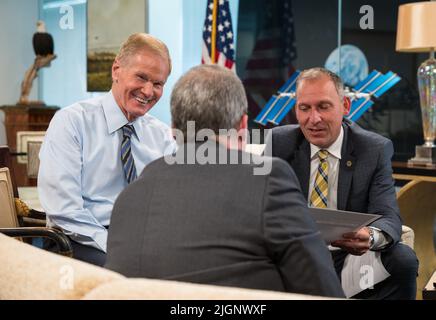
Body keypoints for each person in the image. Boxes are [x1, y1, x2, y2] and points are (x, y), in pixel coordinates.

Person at [105, 65, 344, 298]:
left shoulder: (129, 196)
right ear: (242, 125)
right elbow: (322, 291)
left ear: (174, 129)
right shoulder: (267, 180)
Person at [267, 67, 418, 299]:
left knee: (403, 260)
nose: (313, 119)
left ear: (345, 106)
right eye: (304, 108)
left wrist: (370, 236)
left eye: (323, 107)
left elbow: (389, 216)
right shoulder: (279, 142)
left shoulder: (374, 149)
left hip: (349, 258)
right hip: (295, 258)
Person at [38, 33, 177, 266]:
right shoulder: (72, 122)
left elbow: (172, 202)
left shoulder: (161, 136)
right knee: (135, 273)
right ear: (116, 70)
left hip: (143, 239)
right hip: (80, 239)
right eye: (141, 77)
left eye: (158, 84)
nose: (148, 91)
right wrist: (117, 245)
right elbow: (65, 210)